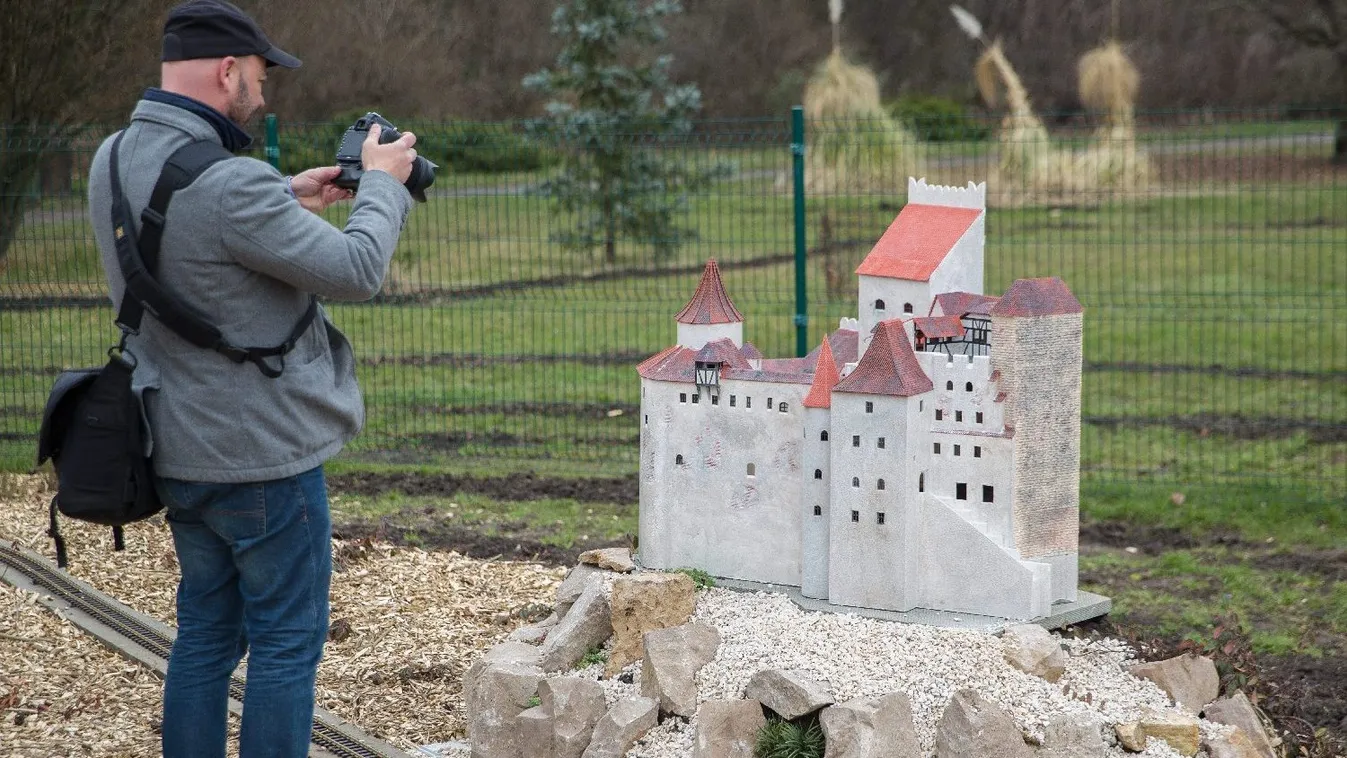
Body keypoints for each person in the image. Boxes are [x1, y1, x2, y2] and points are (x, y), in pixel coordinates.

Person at [85, 1, 419, 756]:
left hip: (172, 444)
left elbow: (181, 242)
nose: (263, 96)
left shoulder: (110, 158)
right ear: (227, 70)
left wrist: (286, 198)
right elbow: (358, 271)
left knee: (204, 633)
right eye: (260, 77)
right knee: (285, 645)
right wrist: (383, 185)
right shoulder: (231, 183)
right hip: (260, 456)